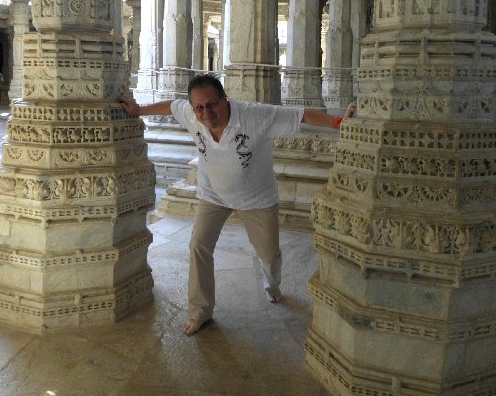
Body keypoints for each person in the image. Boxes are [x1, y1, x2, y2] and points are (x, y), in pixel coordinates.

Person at [120, 74, 355, 336]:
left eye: (211, 104)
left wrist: (339, 122)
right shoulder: (190, 113)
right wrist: (139, 110)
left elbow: (301, 115)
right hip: (213, 196)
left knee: (268, 254)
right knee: (198, 245)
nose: (206, 112)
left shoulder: (255, 116)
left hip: (257, 199)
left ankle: (272, 284)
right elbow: (172, 105)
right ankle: (200, 311)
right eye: (199, 107)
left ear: (225, 99)